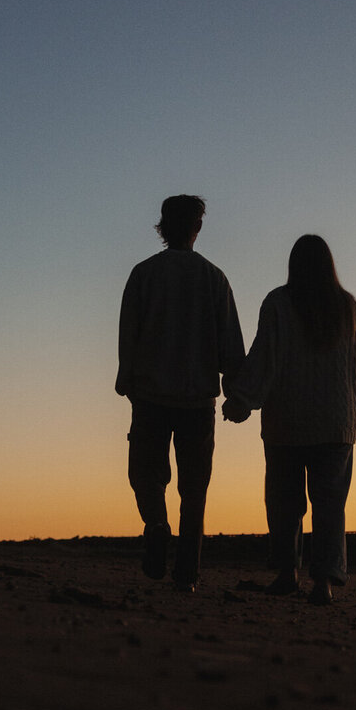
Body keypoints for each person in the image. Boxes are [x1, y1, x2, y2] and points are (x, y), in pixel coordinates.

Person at [223, 235, 356, 606]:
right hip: (336, 423)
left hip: (287, 421)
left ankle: (286, 573)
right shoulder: (349, 308)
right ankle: (323, 581)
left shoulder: (279, 302)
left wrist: (242, 398)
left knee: (284, 502)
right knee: (329, 504)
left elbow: (265, 355)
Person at [116, 195, 245, 591]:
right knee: (194, 489)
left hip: (152, 396)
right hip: (197, 401)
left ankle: (156, 525)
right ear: (197, 228)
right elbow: (231, 345)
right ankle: (187, 572)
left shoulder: (144, 274)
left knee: (145, 474)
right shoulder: (214, 278)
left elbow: (129, 333)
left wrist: (127, 378)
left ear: (162, 226)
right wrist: (236, 391)